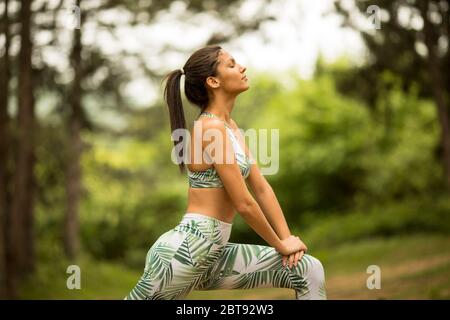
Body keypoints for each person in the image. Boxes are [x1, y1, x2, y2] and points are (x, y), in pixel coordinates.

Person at [125, 45, 326, 300]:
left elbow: (261, 187)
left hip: (215, 253)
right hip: (184, 251)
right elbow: (244, 203)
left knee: (307, 269)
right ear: (213, 81)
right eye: (231, 64)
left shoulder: (230, 127)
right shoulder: (210, 129)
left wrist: (288, 241)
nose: (242, 67)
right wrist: (279, 244)